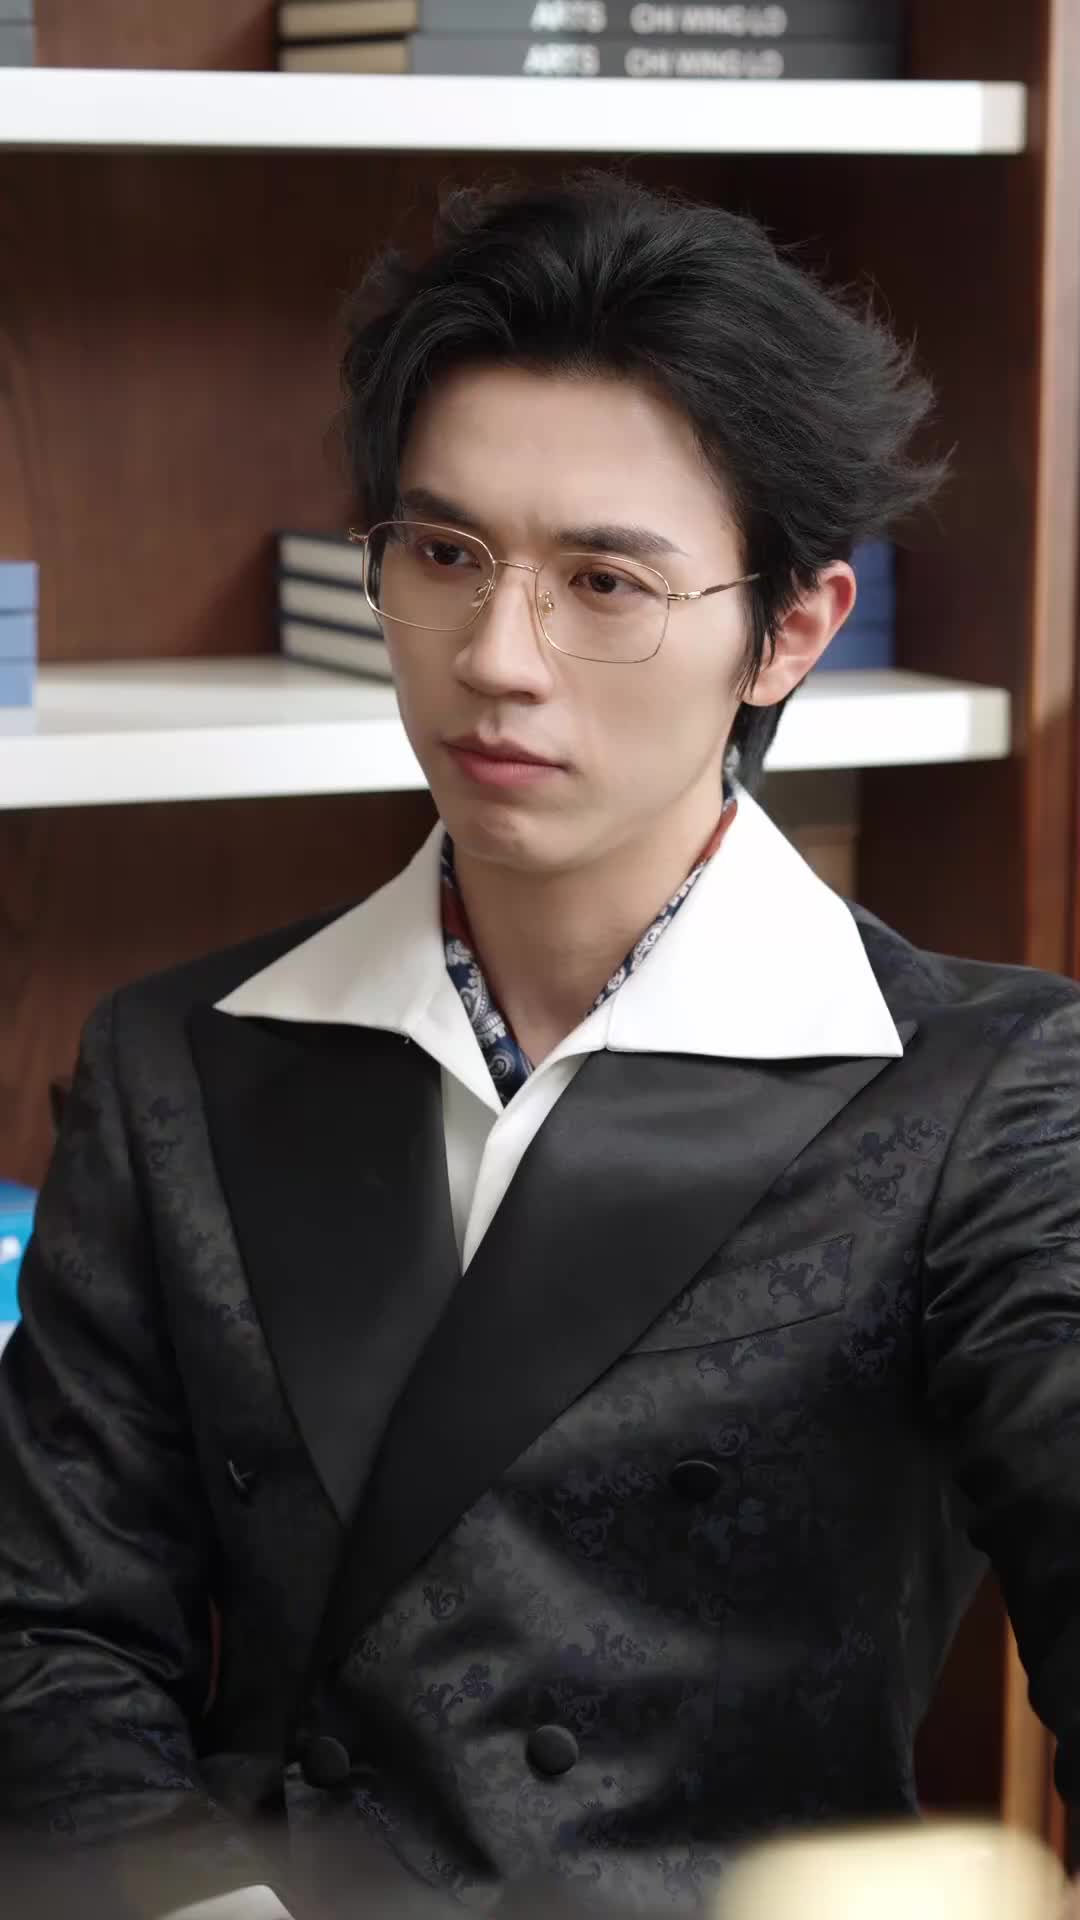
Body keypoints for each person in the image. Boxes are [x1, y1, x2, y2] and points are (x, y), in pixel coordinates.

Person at [1, 170, 1078, 1920]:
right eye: (444, 556)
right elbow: (50, 1638)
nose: (498, 659)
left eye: (605, 581)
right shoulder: (172, 1062)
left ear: (790, 631)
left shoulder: (992, 1096)